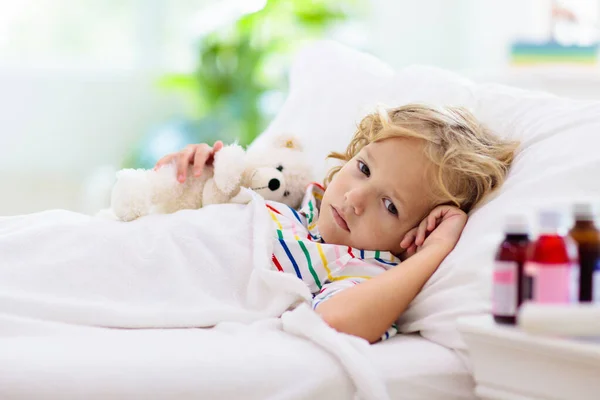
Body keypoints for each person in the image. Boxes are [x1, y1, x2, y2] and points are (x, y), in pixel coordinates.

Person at [155, 104, 519, 343]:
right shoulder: (302, 199)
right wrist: (196, 170)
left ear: (414, 237)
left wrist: (436, 250)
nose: (355, 199)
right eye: (363, 168)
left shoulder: (358, 267)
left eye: (390, 206)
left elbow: (336, 320)